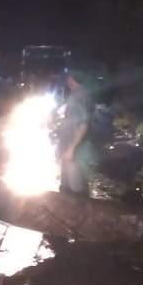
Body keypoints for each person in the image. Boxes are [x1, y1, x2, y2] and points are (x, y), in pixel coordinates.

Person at [58, 68, 94, 196]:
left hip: (75, 153)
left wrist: (71, 149)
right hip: (69, 150)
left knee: (77, 189)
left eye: (69, 77)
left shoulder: (80, 96)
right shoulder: (75, 94)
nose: (67, 80)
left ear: (73, 79)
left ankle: (82, 214)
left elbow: (83, 125)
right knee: (66, 188)